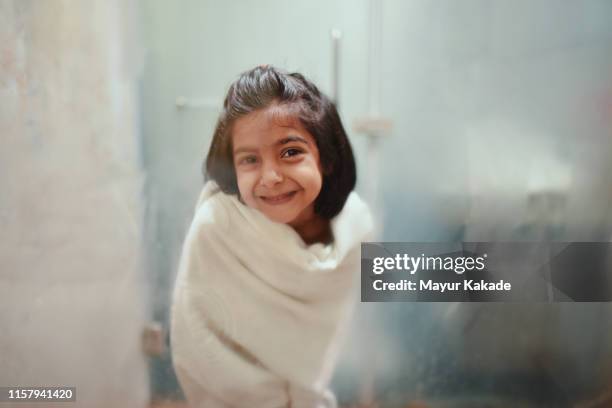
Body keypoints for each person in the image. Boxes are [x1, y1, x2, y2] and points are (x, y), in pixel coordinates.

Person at [170, 65, 373, 408]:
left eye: (290, 152)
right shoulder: (217, 226)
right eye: (249, 159)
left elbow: (324, 341)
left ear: (326, 158)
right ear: (232, 168)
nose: (271, 177)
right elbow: (198, 344)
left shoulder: (354, 225)